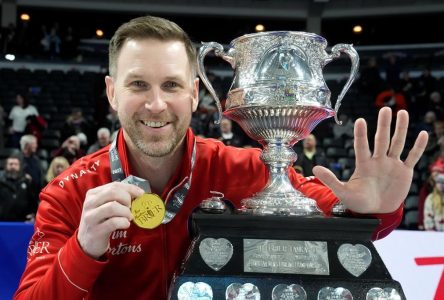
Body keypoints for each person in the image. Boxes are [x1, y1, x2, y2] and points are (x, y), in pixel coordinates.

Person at [15, 16, 429, 300]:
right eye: (138, 84)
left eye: (172, 85)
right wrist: (84, 249)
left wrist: (379, 209)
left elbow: (346, 225)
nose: (156, 104)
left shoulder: (248, 169)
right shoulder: (70, 193)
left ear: (196, 93)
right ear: (111, 92)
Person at [0, 154, 36, 221]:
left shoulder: (27, 181)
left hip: (22, 222)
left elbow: (33, 200)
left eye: (16, 164)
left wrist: (32, 213)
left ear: (20, 167)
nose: (13, 166)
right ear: (5, 166)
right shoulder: (1, 181)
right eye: (10, 164)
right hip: (2, 221)